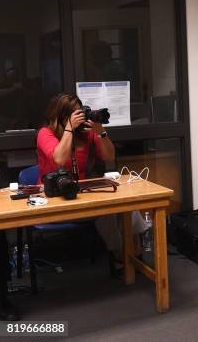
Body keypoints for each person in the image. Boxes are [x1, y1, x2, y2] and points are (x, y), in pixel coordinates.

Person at [36, 93, 145, 271]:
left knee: (128, 205)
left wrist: (100, 131)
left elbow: (110, 156)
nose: (80, 118)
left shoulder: (86, 135)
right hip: (53, 198)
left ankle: (135, 252)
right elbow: (59, 159)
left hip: (82, 195)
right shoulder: (45, 133)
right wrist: (69, 129)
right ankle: (122, 256)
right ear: (62, 117)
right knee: (109, 213)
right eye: (75, 115)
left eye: (81, 113)